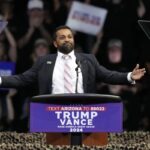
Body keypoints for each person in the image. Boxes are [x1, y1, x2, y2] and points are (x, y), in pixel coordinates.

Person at [0, 25, 146, 95]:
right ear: (55, 43)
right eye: (62, 37)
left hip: (82, 112)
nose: (67, 40)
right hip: (52, 111)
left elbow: (108, 75)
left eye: (70, 37)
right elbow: (22, 79)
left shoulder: (88, 60)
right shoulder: (44, 61)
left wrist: (129, 76)